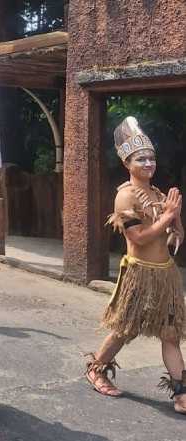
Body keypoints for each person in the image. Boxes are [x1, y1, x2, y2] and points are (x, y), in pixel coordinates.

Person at [86, 116, 186, 414]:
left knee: (170, 333)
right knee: (124, 329)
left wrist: (176, 223)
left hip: (165, 275)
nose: (148, 163)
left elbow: (173, 238)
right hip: (139, 275)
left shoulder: (158, 194)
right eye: (141, 158)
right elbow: (138, 237)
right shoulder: (125, 196)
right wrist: (167, 217)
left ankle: (181, 393)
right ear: (127, 163)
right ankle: (96, 369)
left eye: (151, 158)